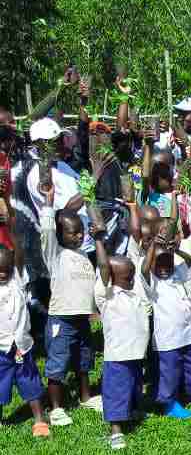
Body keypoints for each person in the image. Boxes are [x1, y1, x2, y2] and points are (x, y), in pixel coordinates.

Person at [141, 216, 191, 419]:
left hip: (189, 333)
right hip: (168, 339)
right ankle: (169, 403)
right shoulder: (152, 282)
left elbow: (190, 261)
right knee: (169, 373)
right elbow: (144, 268)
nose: (163, 268)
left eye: (167, 263)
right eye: (158, 264)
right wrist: (154, 246)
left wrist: (174, 250)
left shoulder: (177, 271)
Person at [39, 180, 100, 427]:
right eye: (70, 232)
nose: (76, 236)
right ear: (60, 234)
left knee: (84, 360)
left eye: (79, 231)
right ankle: (55, 408)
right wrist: (48, 203)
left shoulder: (83, 254)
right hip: (61, 320)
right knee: (58, 362)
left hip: (82, 319)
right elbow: (46, 231)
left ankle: (85, 397)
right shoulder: (56, 254)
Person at [92, 225, 150, 450]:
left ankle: (132, 412)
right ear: (112, 278)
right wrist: (98, 240)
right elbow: (104, 265)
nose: (132, 280)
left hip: (136, 353)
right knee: (116, 390)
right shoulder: (106, 295)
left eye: (132, 276)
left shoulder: (134, 293)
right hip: (117, 355)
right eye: (127, 278)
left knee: (134, 385)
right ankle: (116, 431)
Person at [0, 227, 50, 437]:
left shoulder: (17, 281)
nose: (3, 274)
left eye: (7, 269)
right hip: (1, 348)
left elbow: (18, 253)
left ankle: (39, 420)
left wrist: (11, 226)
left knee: (30, 382)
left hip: (22, 346)